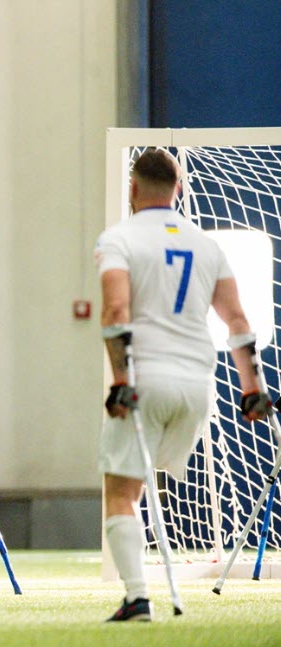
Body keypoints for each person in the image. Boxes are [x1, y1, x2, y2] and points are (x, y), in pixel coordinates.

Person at [96, 148, 269, 622]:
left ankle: (137, 597)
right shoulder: (208, 245)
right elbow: (237, 319)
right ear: (180, 190)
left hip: (146, 381)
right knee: (154, 480)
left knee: (121, 491)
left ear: (132, 188)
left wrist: (121, 381)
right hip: (198, 386)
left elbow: (115, 311)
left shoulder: (118, 239)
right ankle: (146, 587)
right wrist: (251, 388)